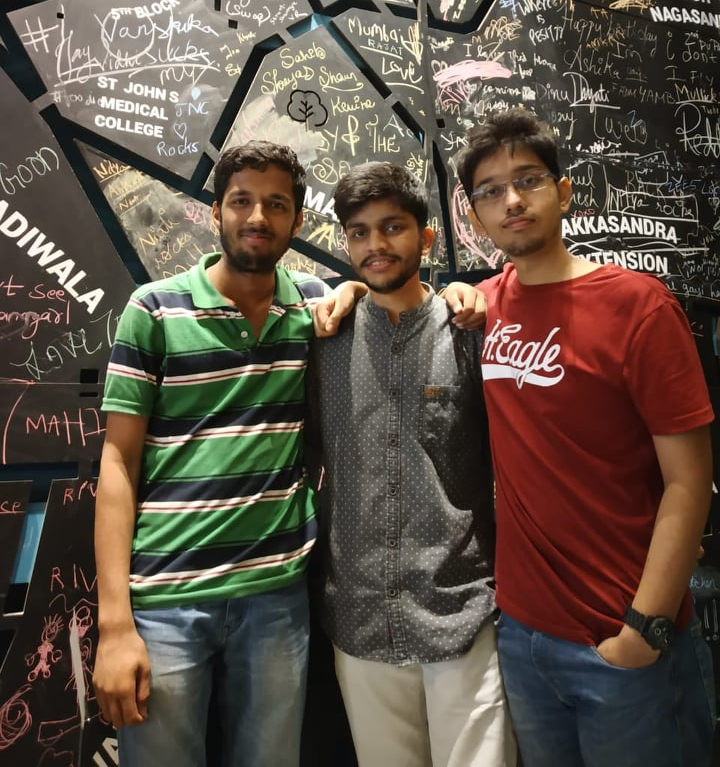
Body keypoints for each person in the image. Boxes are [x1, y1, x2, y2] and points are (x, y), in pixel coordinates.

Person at [92, 140, 485, 767]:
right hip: (167, 599)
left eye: (276, 204)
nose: (257, 217)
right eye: (241, 201)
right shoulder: (154, 309)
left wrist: (451, 291)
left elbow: (376, 294)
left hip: (277, 594)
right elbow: (117, 465)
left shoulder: (312, 307)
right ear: (215, 211)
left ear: (298, 221)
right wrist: (114, 624)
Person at [456, 107, 715, 767]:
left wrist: (645, 629)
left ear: (564, 191)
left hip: (623, 641)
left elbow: (689, 481)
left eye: (529, 180)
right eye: (491, 191)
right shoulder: (484, 306)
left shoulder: (639, 306)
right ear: (475, 217)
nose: (512, 201)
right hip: (521, 637)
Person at [306, 162, 516, 767]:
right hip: (360, 614)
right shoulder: (324, 338)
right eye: (360, 232)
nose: (376, 244)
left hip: (461, 607)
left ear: (425, 238)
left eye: (392, 227)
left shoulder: (469, 331)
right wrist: (344, 293)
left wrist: (465, 292)